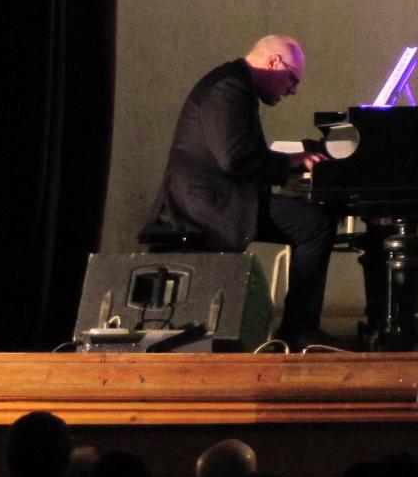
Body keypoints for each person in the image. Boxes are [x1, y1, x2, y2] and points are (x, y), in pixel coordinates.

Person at [142, 35, 335, 349]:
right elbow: (234, 158)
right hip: (206, 204)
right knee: (315, 224)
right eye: (292, 79)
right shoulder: (228, 87)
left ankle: (298, 329)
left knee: (312, 220)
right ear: (274, 62)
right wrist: (289, 163)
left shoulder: (235, 83)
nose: (293, 90)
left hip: (216, 197)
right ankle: (299, 330)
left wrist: (287, 164)